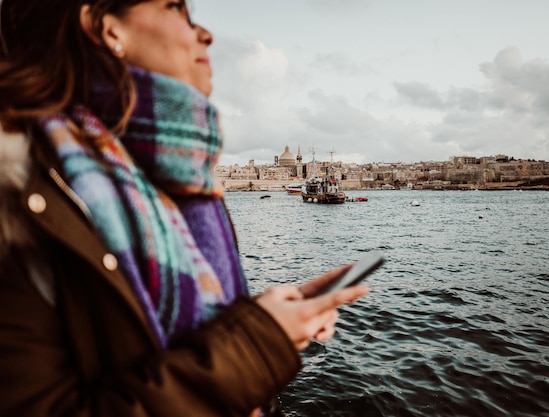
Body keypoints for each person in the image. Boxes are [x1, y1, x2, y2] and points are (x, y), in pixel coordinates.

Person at [0, 1, 369, 416]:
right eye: (176, 7)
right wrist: (255, 345)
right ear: (106, 28)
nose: (206, 34)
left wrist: (267, 320)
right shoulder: (17, 191)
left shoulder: (176, 181)